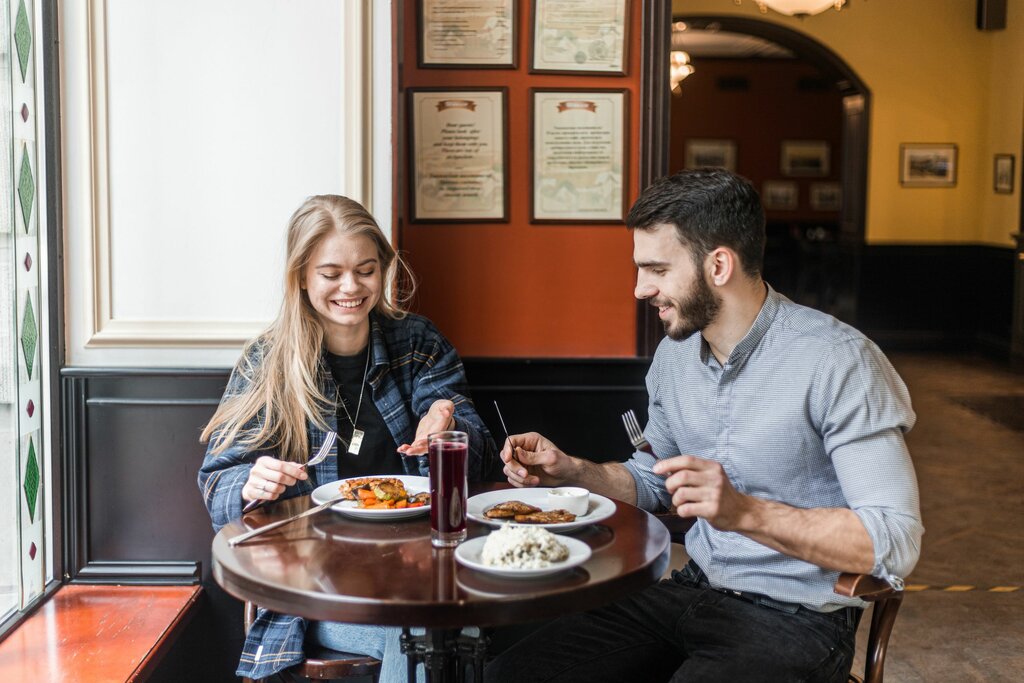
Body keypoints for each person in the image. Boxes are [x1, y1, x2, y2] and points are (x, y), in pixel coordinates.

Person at [486, 169, 923, 682]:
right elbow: (652, 480)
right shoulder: (674, 358)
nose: (639, 288)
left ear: (718, 264)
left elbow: (894, 541)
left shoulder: (840, 361)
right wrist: (575, 472)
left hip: (797, 620)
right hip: (693, 590)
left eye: (656, 269)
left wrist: (742, 511)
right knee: (509, 676)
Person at [198, 194, 497, 683]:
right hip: (314, 589)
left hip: (423, 571)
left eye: (366, 269)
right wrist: (251, 481)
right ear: (301, 276)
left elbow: (478, 458)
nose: (351, 287)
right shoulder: (268, 362)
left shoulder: (418, 342)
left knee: (433, 624)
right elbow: (216, 485)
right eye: (331, 273)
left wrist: (450, 431)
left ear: (383, 270)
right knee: (431, 633)